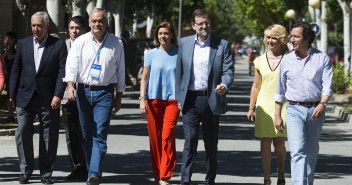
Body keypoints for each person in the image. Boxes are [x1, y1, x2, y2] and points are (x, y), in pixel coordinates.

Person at [63, 8, 125, 185]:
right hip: (83, 91)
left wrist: (119, 97)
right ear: (89, 23)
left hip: (105, 93)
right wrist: (70, 86)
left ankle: (94, 173)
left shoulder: (116, 43)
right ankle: (92, 172)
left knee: (99, 134)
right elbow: (72, 65)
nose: (98, 24)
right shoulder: (81, 41)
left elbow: (121, 71)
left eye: (101, 21)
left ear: (106, 23)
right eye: (94, 21)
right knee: (86, 135)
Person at [175, 9, 235, 185]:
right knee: (190, 141)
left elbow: (228, 70)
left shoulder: (221, 44)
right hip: (190, 100)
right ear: (193, 25)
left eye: (206, 22)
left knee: (210, 144)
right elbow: (179, 72)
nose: (204, 26)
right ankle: (185, 180)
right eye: (200, 23)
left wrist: (224, 84)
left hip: (211, 99)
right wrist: (179, 98)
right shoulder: (184, 43)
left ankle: (210, 180)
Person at [9, 11, 67, 184]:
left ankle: (46, 173)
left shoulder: (58, 45)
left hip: (48, 98)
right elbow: (16, 71)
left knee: (49, 136)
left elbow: (62, 72)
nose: (35, 28)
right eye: (33, 25)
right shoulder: (23, 44)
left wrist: (58, 94)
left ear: (47, 26)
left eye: (39, 25)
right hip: (25, 97)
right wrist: (11, 95)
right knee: (23, 133)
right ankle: (25, 171)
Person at [274, 21, 333, 185]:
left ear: (306, 38)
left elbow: (328, 86)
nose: (291, 39)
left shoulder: (322, 59)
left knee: (311, 152)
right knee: (298, 151)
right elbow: (280, 91)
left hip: (316, 110)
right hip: (294, 109)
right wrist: (277, 115)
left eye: (295, 36)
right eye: (291, 36)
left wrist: (322, 104)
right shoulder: (286, 61)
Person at [247, 24, 288, 185]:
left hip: (283, 105)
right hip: (264, 104)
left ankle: (281, 170)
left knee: (279, 143)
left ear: (282, 39)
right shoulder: (259, 60)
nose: (270, 41)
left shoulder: (289, 59)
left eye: (274, 37)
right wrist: (251, 108)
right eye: (268, 37)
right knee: (265, 142)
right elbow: (256, 86)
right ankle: (266, 179)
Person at [139, 22, 180, 185]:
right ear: (157, 35)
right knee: (155, 139)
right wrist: (142, 99)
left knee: (167, 136)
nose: (163, 36)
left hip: (172, 101)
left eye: (166, 33)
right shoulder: (150, 54)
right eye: (160, 33)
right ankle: (158, 174)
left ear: (172, 35)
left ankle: (165, 175)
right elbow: (145, 78)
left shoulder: (179, 54)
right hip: (153, 100)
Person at [62, 15, 88, 181]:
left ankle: (87, 167)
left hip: (86, 95)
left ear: (84, 29)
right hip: (67, 97)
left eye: (77, 28)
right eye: (71, 28)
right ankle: (76, 167)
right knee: (71, 135)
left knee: (85, 133)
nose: (74, 31)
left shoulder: (89, 44)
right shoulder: (63, 46)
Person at [3, 31, 17, 122]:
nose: (4, 40)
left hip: (14, 75)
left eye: (6, 38)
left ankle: (16, 115)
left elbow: (11, 57)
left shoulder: (16, 47)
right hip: (8, 74)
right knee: (8, 95)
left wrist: (7, 48)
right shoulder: (5, 48)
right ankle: (10, 115)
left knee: (14, 95)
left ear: (12, 39)